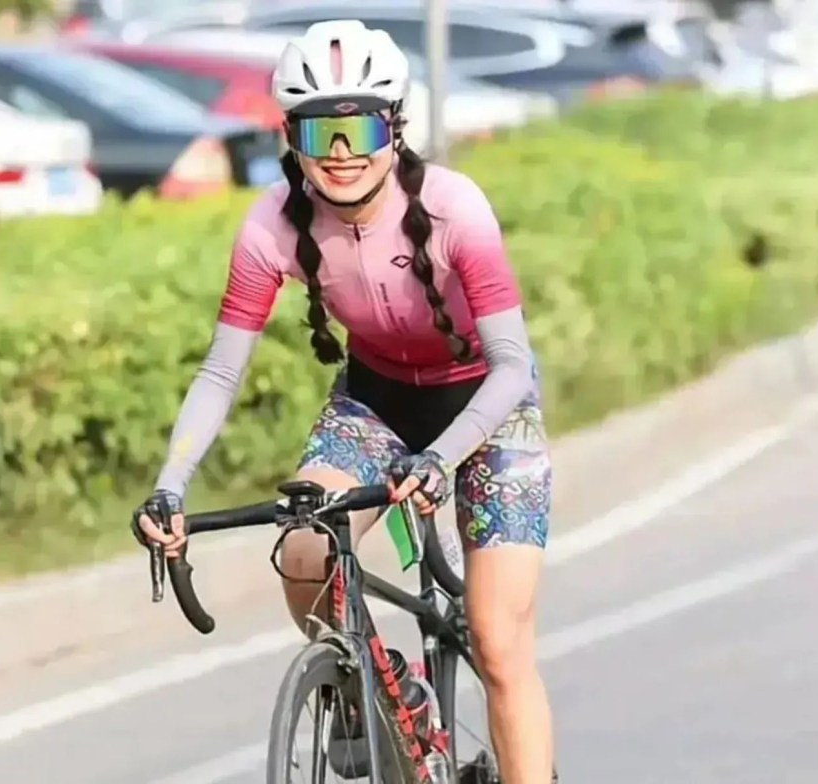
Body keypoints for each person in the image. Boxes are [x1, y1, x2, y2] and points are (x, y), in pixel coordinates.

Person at [131, 19, 555, 784]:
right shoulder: (272, 226)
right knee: (303, 547)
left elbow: (510, 364)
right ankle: (383, 687)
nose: (341, 153)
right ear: (291, 138)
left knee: (497, 641)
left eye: (357, 126)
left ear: (393, 128)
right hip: (377, 401)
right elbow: (222, 372)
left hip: (491, 411)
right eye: (320, 131)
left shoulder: (457, 207)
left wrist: (441, 459)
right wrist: (170, 484)